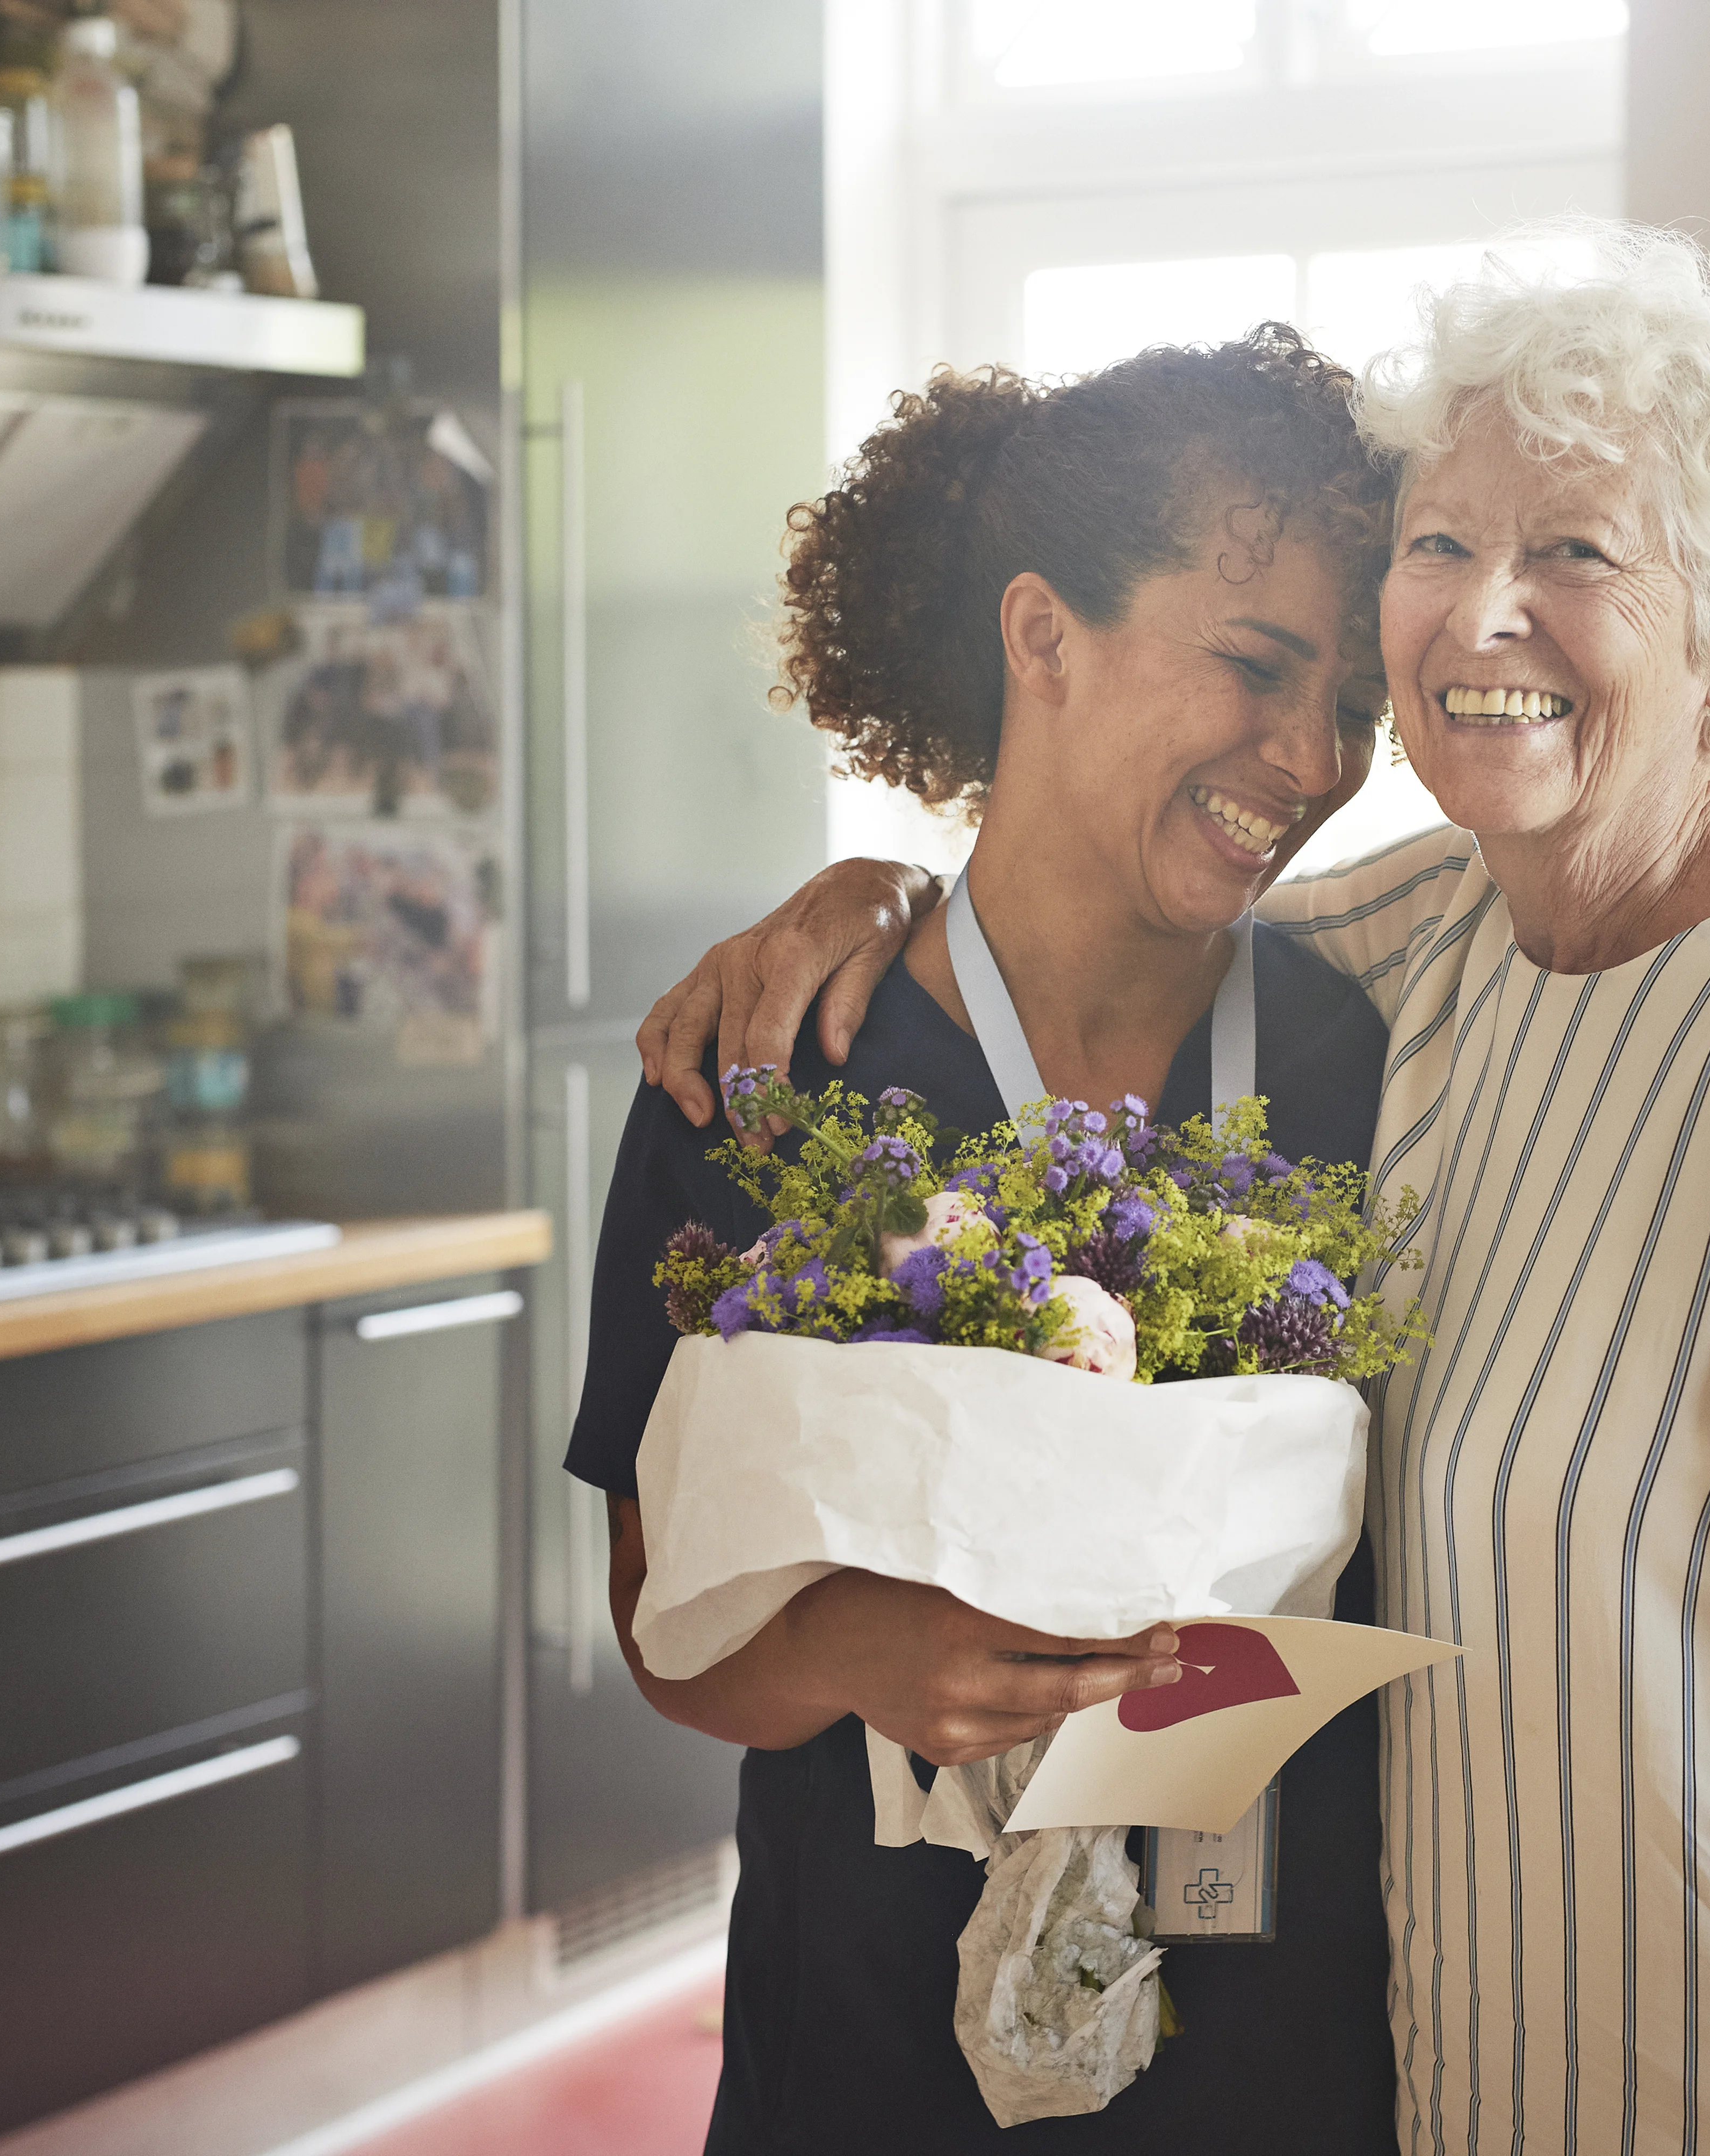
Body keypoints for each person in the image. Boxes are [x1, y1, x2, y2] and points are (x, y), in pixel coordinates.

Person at [637, 225, 1710, 2156]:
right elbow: (1107, 895)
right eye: (1442, 543)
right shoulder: (1432, 945)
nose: (1477, 615)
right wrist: (875, 895)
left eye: (1577, 553)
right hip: (1439, 2095)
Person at [566, 326, 1406, 2152]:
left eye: (1355, 706)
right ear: (1043, 638)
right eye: (1257, 667)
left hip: (1282, 2078)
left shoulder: (1373, 1061)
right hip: (872, 2077)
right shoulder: (767, 1076)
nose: (1314, 756)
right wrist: (860, 1654)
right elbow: (657, 1617)